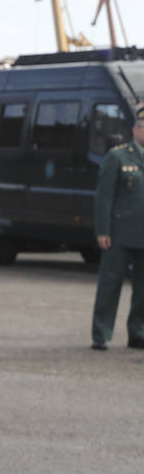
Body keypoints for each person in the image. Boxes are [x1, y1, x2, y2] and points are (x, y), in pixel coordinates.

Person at [90, 106, 144, 350]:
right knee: (110, 285)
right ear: (135, 129)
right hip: (119, 233)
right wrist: (103, 230)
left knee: (142, 290)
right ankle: (101, 333)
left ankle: (138, 332)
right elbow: (104, 197)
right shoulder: (118, 156)